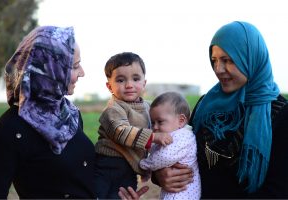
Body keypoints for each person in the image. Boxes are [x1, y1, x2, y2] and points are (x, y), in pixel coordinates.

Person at [152, 21, 288, 199]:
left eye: (228, 60)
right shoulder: (204, 105)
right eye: (214, 60)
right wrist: (159, 176)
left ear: (251, 58)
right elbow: (179, 149)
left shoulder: (279, 114)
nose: (219, 69)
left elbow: (279, 191)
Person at [0, 26, 96, 198]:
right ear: (50, 70)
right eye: (75, 66)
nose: (82, 73)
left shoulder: (69, 115)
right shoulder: (8, 131)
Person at [94, 52, 173, 199]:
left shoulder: (149, 107)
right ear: (109, 86)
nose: (129, 85)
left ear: (144, 83)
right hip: (108, 165)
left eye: (135, 79)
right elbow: (121, 132)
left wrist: (147, 164)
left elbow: (160, 125)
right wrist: (154, 137)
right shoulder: (113, 109)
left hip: (129, 168)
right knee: (99, 195)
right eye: (120, 80)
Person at [139, 91, 201, 200]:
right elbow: (157, 151)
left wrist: (144, 164)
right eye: (153, 123)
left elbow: (164, 157)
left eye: (160, 121)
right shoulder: (172, 134)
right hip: (174, 191)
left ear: (181, 121)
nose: (155, 127)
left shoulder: (184, 136)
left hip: (182, 194)